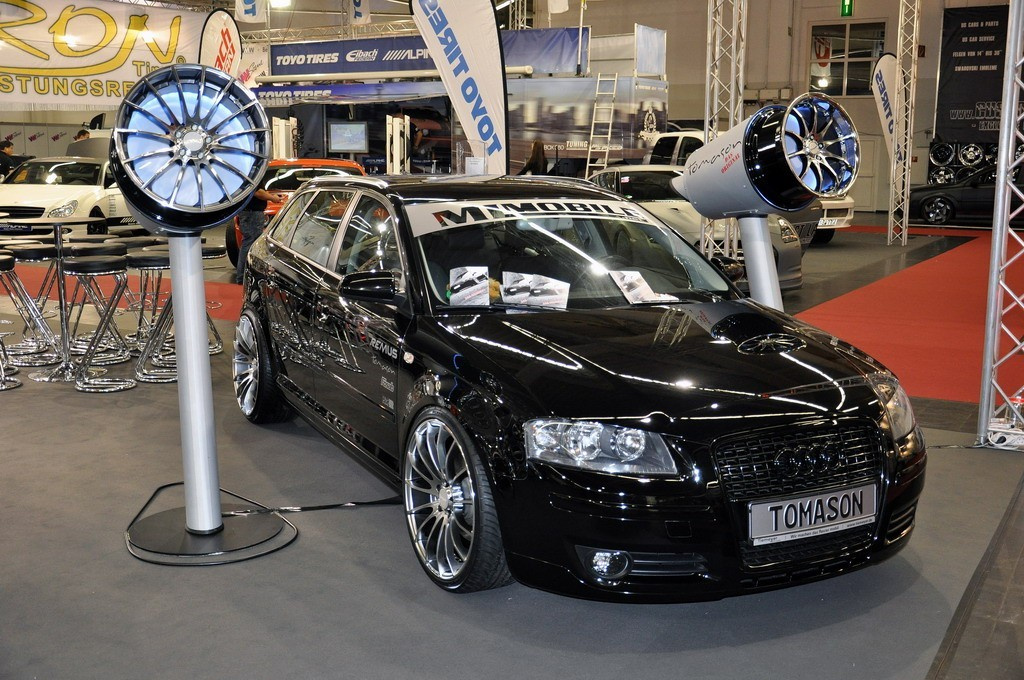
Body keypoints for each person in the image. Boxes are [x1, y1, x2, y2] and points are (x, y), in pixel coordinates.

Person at [235, 184, 287, 283]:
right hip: (252, 214)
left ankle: (243, 276)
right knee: (250, 244)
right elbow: (258, 192)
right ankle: (243, 277)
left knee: (249, 243)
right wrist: (273, 198)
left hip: (249, 213)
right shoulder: (254, 176)